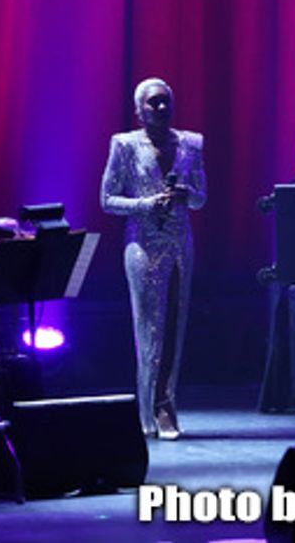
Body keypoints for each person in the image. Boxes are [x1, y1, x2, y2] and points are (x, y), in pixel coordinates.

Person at [102, 77, 206, 439]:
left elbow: (201, 197)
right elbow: (107, 199)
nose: (161, 108)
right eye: (153, 103)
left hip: (179, 243)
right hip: (144, 245)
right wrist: (145, 205)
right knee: (149, 329)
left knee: (175, 325)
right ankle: (147, 409)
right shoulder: (125, 145)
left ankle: (166, 404)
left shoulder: (190, 143)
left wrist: (184, 192)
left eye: (165, 102)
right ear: (139, 110)